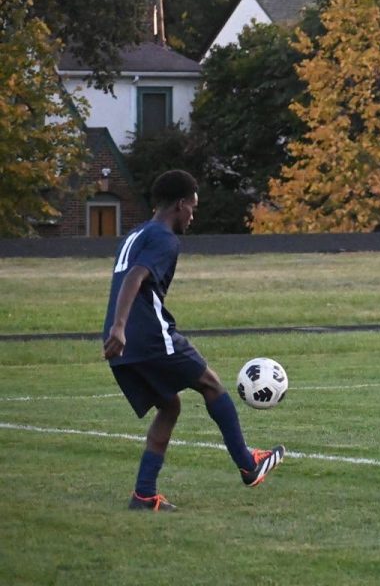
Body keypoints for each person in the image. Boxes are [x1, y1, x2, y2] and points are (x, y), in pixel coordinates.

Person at [102, 170, 284, 511]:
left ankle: (144, 495)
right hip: (146, 335)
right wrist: (121, 327)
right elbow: (135, 278)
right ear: (180, 204)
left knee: (170, 405)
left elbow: (127, 277)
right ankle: (248, 465)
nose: (193, 215)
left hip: (124, 342)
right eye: (193, 208)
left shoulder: (136, 233)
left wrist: (115, 329)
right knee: (212, 384)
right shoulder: (165, 238)